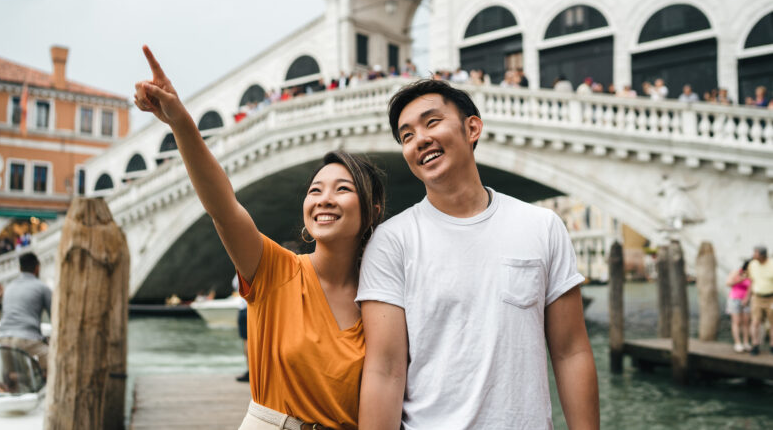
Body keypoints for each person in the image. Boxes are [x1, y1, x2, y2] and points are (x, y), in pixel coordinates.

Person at [134, 46, 385, 430]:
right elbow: (223, 207)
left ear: (371, 210)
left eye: (342, 189)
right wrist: (181, 123)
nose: (324, 200)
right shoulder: (274, 270)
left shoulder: (382, 300)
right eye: (315, 190)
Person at [357, 80, 599, 429]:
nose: (419, 140)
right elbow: (385, 371)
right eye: (406, 135)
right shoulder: (392, 241)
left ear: (472, 128)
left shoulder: (542, 225)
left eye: (431, 122)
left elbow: (571, 351)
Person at [0, 252, 52, 374]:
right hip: (26, 340)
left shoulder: (9, 287)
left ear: (20, 268)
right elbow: (56, 319)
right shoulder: (42, 287)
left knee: (13, 379)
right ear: (37, 267)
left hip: (3, 339)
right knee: (56, 362)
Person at [748, 245, 773, 355]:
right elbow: (751, 281)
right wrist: (747, 296)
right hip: (757, 297)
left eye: (756, 253)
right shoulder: (752, 264)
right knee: (755, 322)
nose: (753, 255)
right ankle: (755, 344)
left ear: (762, 255)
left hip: (771, 298)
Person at [725, 260, 752, 352]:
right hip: (734, 299)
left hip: (746, 300)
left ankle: (746, 342)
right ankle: (737, 343)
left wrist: (747, 298)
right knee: (736, 321)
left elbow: (750, 288)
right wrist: (740, 279)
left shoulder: (751, 275)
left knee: (746, 322)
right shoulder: (736, 272)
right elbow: (728, 283)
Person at [232, 274, 250, 382]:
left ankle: (250, 371)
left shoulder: (241, 270)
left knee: (246, 342)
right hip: (253, 308)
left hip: (243, 308)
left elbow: (235, 285)